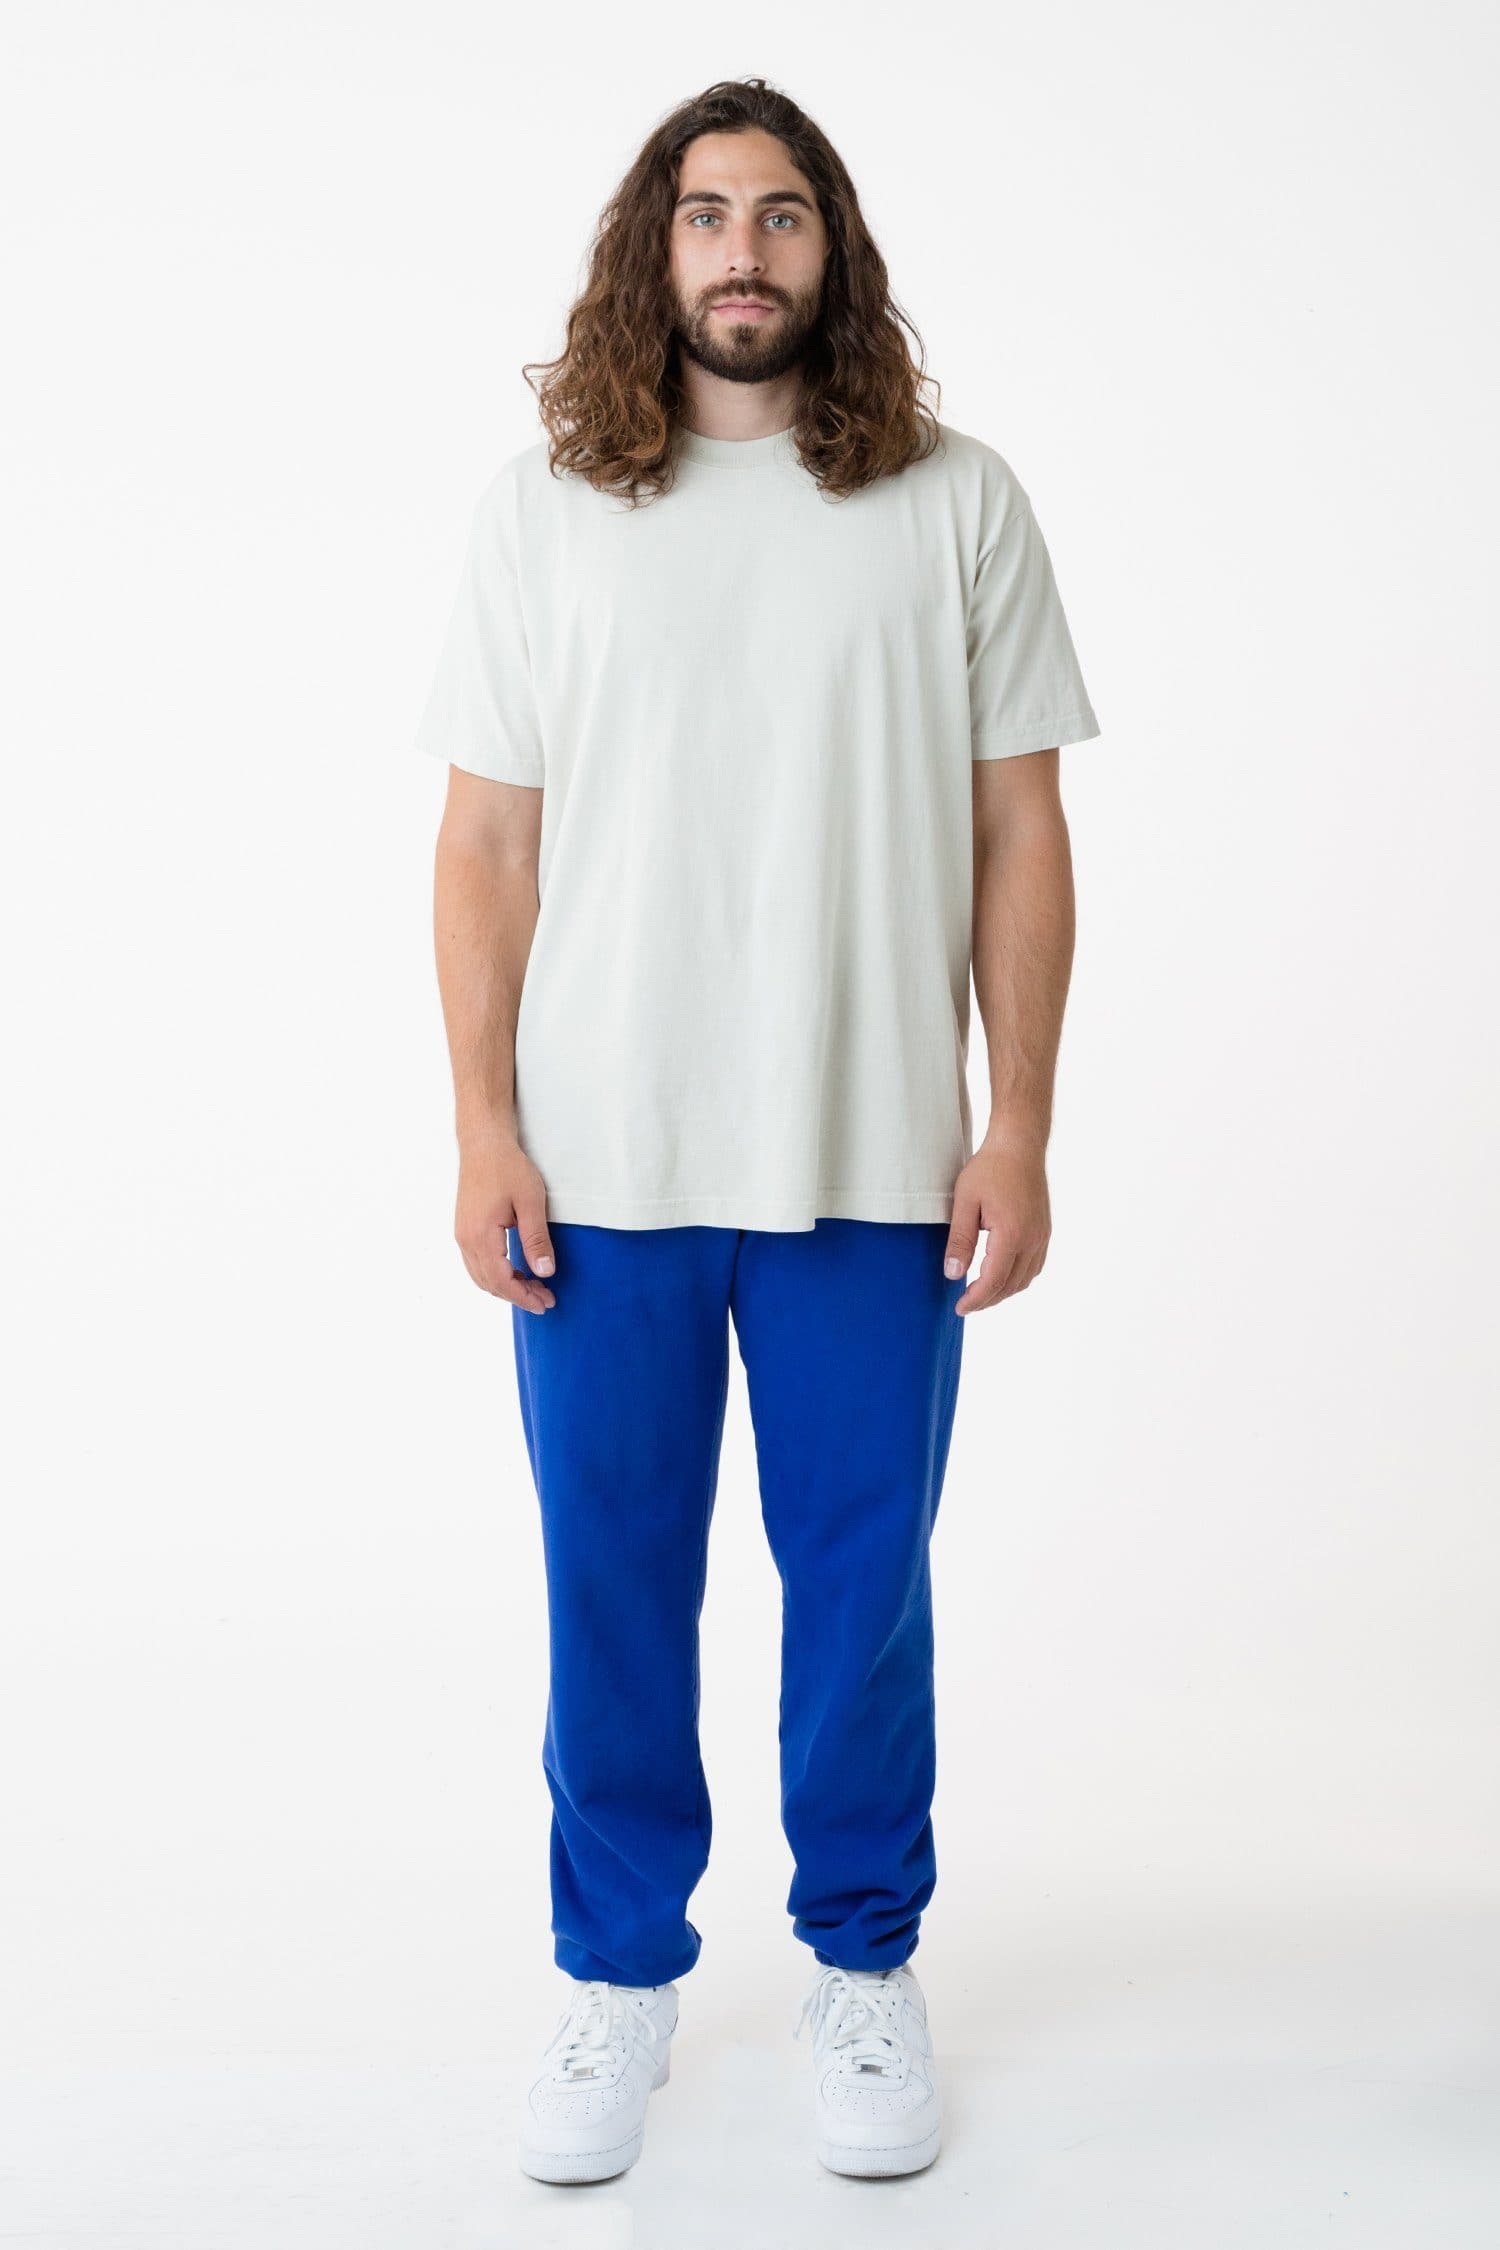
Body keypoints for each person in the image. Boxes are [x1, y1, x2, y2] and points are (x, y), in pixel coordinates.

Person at [414, 75, 1101, 2185]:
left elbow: (1018, 830)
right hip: (602, 1159)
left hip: (871, 1156)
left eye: (781, 213)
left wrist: (1020, 1125)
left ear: (834, 248)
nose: (742, 249)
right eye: (706, 212)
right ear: (657, 247)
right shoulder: (546, 510)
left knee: (861, 1585)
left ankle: (863, 1962)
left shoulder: (956, 501)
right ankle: (616, 1973)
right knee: (609, 1581)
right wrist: (482, 1125)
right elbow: (488, 844)